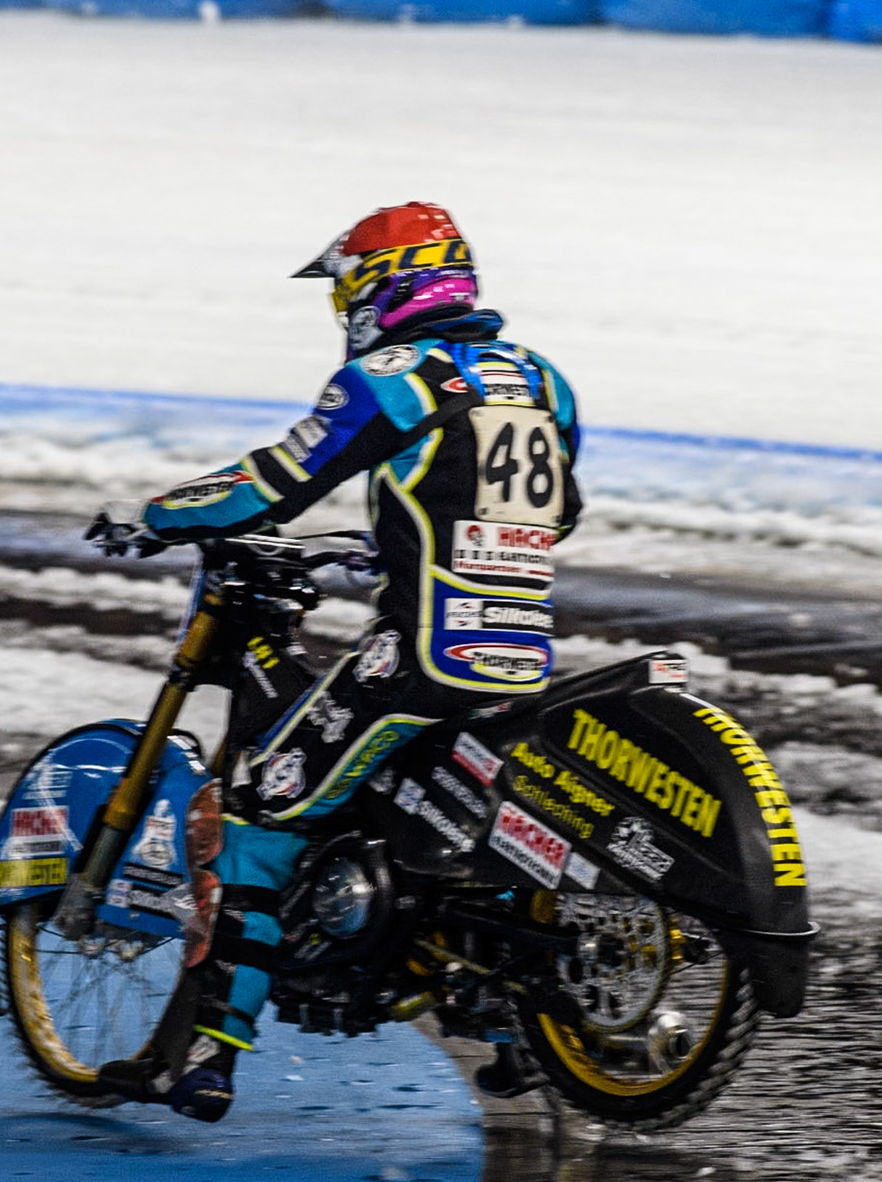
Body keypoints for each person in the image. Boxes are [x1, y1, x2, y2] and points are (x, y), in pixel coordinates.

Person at [97, 202, 584, 1122]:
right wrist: (397, 540)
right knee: (459, 827)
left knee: (262, 802)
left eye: (348, 287)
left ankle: (206, 1057)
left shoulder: (394, 375)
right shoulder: (542, 380)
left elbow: (274, 482)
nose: (344, 310)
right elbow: (556, 512)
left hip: (421, 659)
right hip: (521, 655)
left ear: (382, 286)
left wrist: (160, 514)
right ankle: (509, 1021)